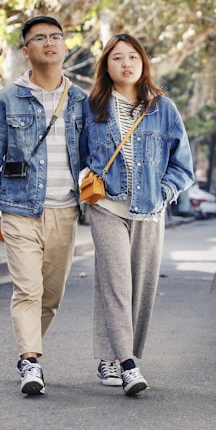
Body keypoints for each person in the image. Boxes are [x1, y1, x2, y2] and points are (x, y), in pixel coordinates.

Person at [0, 15, 90, 396]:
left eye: (56, 37)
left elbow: (96, 154)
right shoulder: (7, 99)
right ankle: (30, 361)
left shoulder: (81, 101)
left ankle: (30, 350)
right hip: (20, 209)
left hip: (66, 212)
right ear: (27, 51)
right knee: (28, 290)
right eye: (39, 38)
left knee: (51, 296)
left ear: (65, 46)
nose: (49, 43)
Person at [81, 34, 194, 396]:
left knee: (141, 287)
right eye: (117, 58)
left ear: (143, 63)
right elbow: (77, 153)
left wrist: (162, 192)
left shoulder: (164, 109)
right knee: (116, 282)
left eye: (133, 57)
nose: (126, 63)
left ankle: (112, 355)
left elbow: (183, 166)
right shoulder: (92, 106)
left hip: (149, 210)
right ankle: (128, 363)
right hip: (106, 206)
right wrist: (82, 176)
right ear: (106, 65)